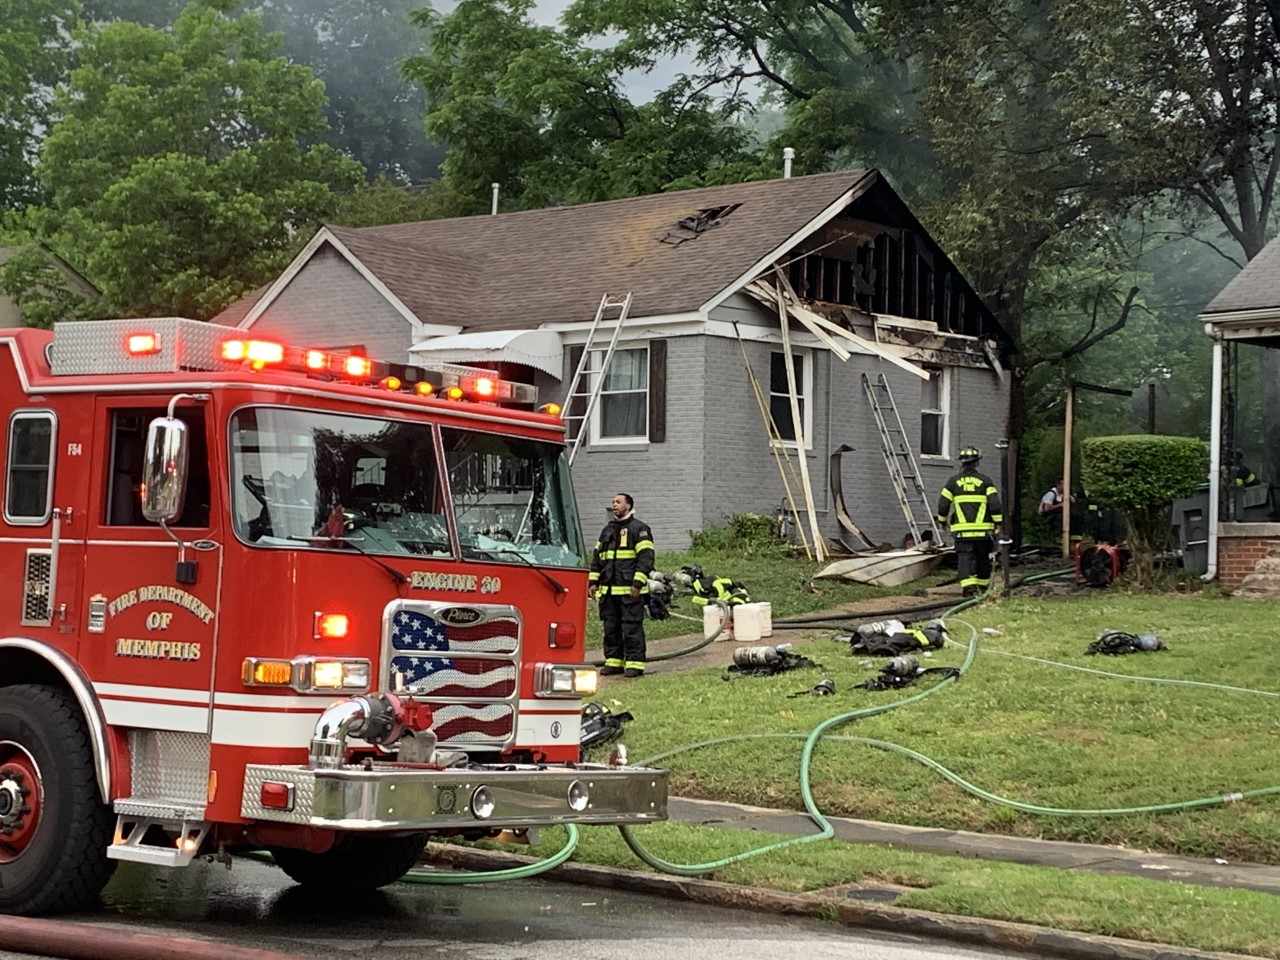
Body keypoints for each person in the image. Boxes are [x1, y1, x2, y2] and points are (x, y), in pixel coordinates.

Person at [589, 493, 654, 678]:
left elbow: (646, 559)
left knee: (631, 628)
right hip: (609, 591)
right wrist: (593, 582)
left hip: (629, 591)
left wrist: (637, 584)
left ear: (628, 506)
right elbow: (597, 558)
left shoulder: (639, 529)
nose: (614, 505)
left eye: (618, 502)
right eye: (613, 502)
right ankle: (613, 662)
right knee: (611, 628)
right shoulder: (607, 530)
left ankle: (634, 664)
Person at [935, 447, 1003, 597]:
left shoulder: (953, 482)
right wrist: (998, 523)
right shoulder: (986, 482)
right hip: (982, 531)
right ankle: (982, 587)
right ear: (977, 463)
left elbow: (943, 505)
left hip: (962, 531)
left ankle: (969, 588)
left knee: (965, 557)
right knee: (982, 557)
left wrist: (942, 521)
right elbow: (995, 505)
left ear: (962, 463)